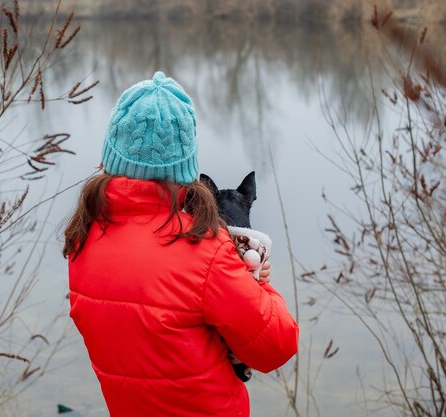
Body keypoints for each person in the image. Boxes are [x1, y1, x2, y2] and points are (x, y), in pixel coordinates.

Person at [63, 71, 299, 417]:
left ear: (111, 155)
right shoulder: (204, 249)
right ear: (185, 165)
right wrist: (260, 283)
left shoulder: (83, 238)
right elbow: (276, 346)